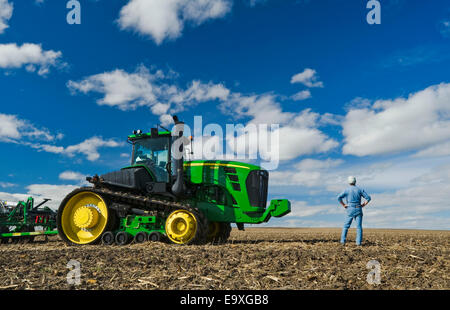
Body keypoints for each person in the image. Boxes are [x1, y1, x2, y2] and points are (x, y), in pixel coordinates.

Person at [338, 176, 371, 246]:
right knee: (359, 227)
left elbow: (339, 197)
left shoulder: (346, 190)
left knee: (346, 226)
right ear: (355, 181)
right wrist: (363, 205)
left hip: (350, 209)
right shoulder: (360, 189)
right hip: (358, 208)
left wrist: (344, 205)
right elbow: (368, 198)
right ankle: (358, 243)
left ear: (348, 182)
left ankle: (342, 241)